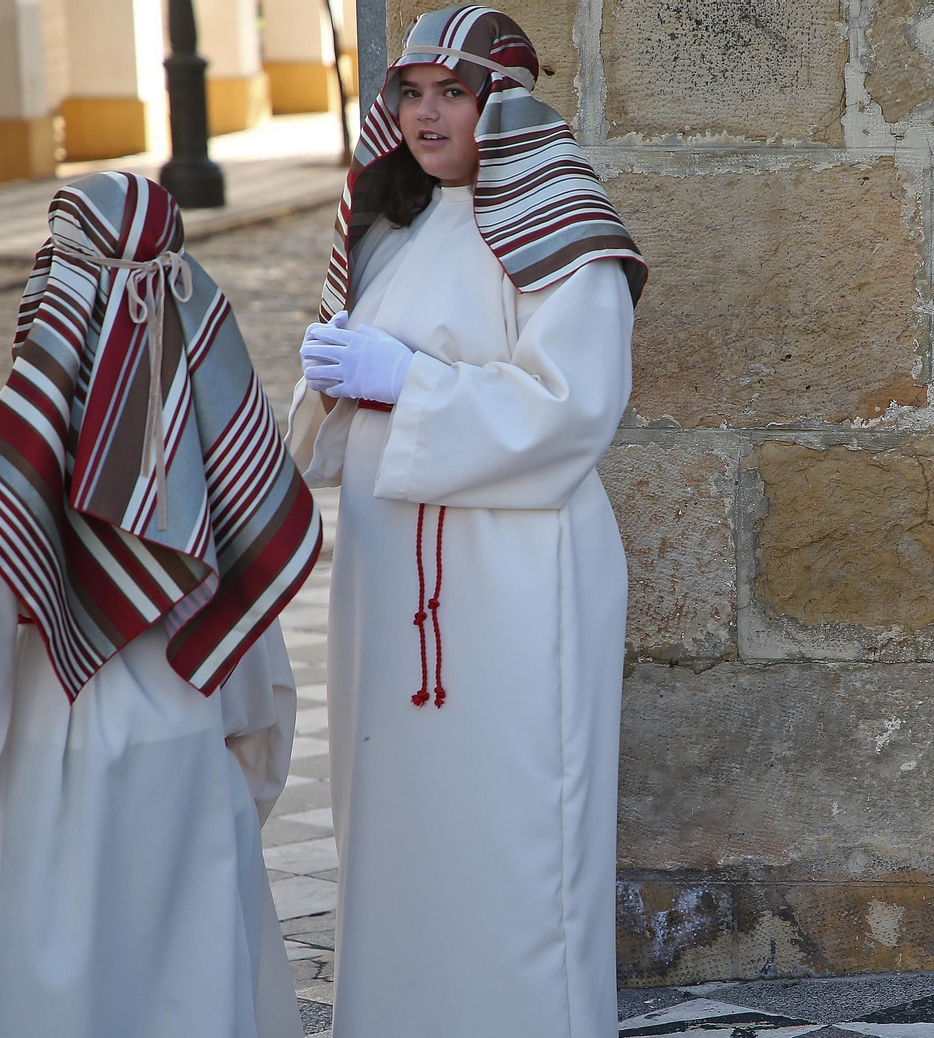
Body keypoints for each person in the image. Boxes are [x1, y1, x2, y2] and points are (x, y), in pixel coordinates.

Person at [286, 6, 645, 1036]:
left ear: (505, 105)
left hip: (514, 575)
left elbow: (573, 407)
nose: (427, 114)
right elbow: (335, 425)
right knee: (397, 812)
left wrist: (413, 382)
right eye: (411, 93)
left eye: (454, 92)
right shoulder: (388, 231)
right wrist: (331, 383)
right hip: (390, 576)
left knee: (515, 815)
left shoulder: (562, 234)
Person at [0, 171, 321, 1038]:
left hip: (50, 772)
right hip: (191, 756)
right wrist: (241, 789)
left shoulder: (17, 465)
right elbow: (259, 688)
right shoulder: (214, 458)